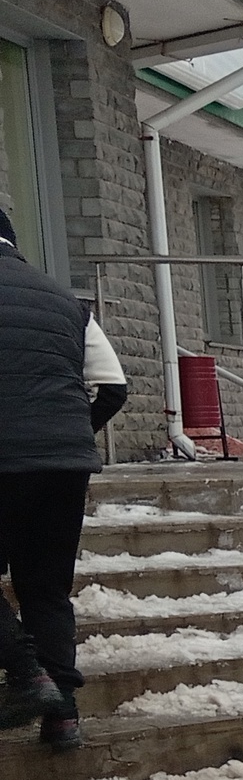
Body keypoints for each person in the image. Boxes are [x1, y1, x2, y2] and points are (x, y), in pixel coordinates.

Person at [0, 204, 126, 750]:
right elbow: (115, 387)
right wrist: (72, 433)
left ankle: (29, 677)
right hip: (65, 465)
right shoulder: (64, 300)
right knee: (46, 589)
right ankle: (64, 717)